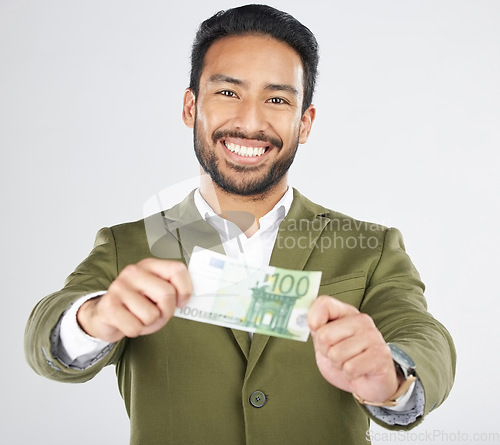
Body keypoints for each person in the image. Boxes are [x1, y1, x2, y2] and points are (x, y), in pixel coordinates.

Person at [25, 4, 456, 444]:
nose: (250, 123)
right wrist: (93, 318)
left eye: (276, 99)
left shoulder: (370, 247)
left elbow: (423, 334)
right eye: (228, 93)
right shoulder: (128, 246)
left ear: (304, 122)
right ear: (191, 107)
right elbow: (45, 334)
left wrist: (393, 373)